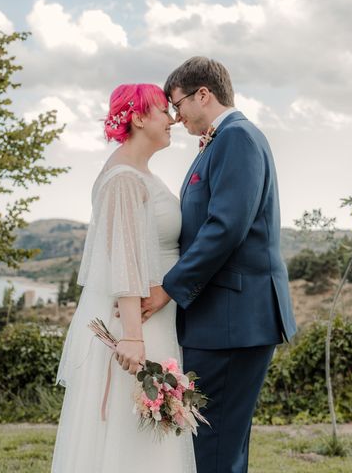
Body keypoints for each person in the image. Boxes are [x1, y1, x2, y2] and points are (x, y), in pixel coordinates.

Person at [141, 57, 297, 473]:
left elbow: (225, 227)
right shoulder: (224, 139)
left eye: (178, 105)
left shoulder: (237, 138)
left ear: (203, 94)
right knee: (219, 444)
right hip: (224, 318)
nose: (177, 117)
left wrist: (169, 288)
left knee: (212, 446)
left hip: (232, 320)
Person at [50, 84, 196, 472]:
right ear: (138, 117)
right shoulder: (124, 179)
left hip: (155, 317)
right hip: (138, 324)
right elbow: (124, 262)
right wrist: (133, 337)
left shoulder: (138, 172)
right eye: (164, 112)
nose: (173, 120)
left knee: (148, 439)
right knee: (130, 437)